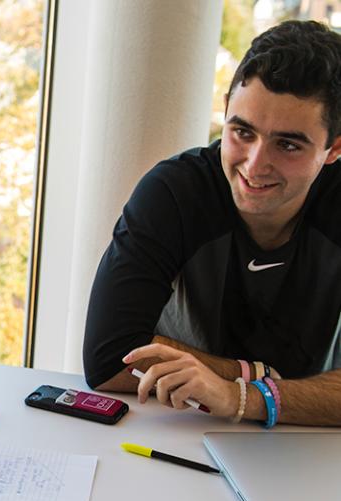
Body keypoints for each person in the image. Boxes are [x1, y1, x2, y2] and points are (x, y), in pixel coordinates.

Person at [83, 20, 341, 427]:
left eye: (288, 144)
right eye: (243, 131)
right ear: (225, 111)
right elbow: (108, 357)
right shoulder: (174, 192)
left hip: (309, 445)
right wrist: (259, 377)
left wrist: (241, 396)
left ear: (334, 148)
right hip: (180, 424)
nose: (255, 165)